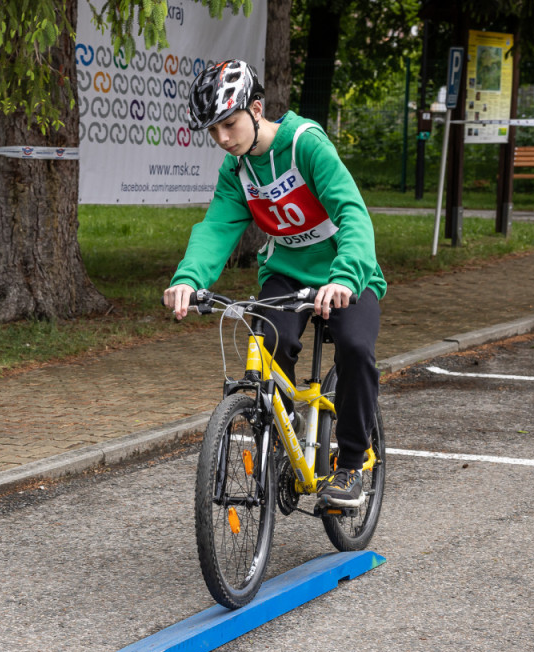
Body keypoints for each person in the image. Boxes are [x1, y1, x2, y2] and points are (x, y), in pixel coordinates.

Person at [163, 59, 387, 508]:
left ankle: (351, 465)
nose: (223, 139)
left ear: (257, 109)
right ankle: (283, 446)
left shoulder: (306, 144)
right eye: (213, 131)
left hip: (346, 271)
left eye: (229, 124)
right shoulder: (238, 170)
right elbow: (215, 229)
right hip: (285, 275)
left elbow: (352, 213)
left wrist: (344, 277)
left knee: (356, 348)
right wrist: (188, 279)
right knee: (268, 346)